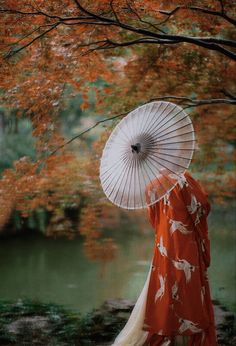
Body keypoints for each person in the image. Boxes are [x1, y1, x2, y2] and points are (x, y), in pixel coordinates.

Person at [112, 171, 218, 346]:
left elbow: (154, 219)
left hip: (164, 243)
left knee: (166, 283)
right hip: (185, 243)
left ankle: (168, 335)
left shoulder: (151, 186)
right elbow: (202, 207)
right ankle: (188, 338)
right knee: (187, 285)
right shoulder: (184, 180)